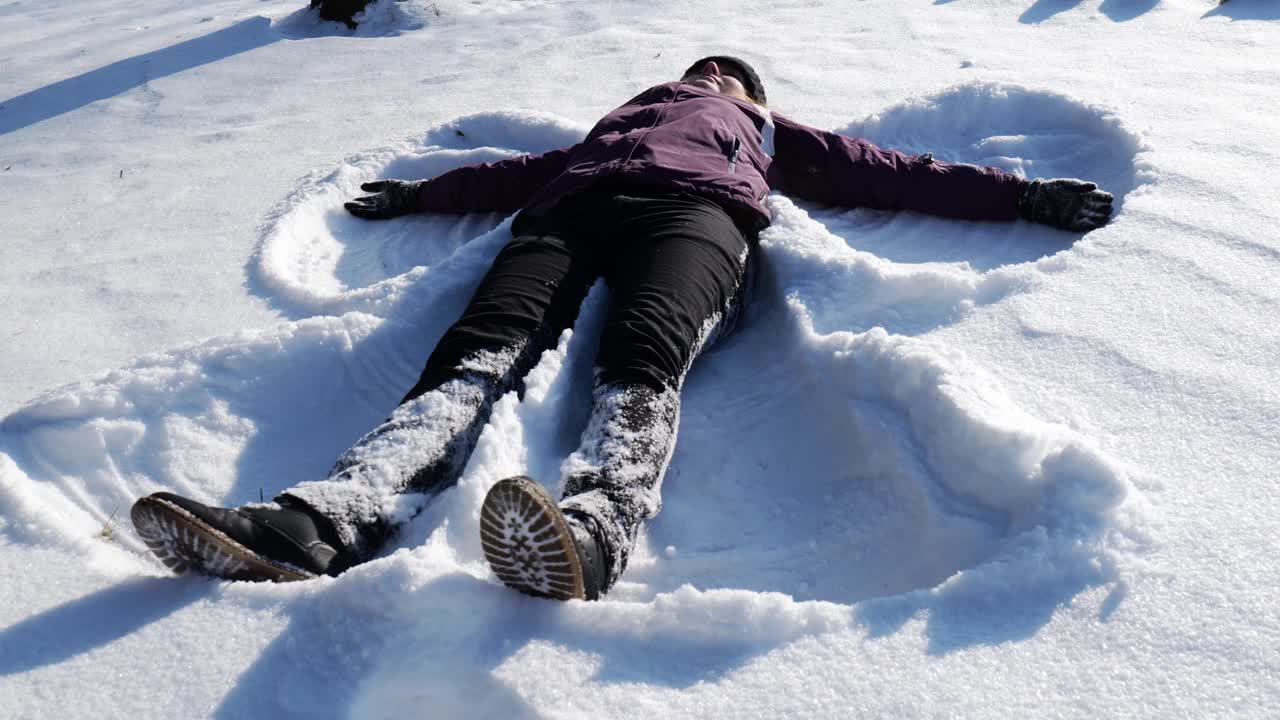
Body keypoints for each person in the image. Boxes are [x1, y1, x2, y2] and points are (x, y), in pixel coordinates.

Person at [130, 56, 1113, 601]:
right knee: (474, 355)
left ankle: (595, 528)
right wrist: (420, 196)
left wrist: (1022, 195)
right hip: (569, 212)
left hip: (696, 217)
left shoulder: (766, 137)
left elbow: (892, 172)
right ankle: (319, 522)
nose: (711, 82)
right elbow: (515, 175)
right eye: (702, 72)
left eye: (729, 80)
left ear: (751, 103)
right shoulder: (621, 119)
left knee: (644, 353)